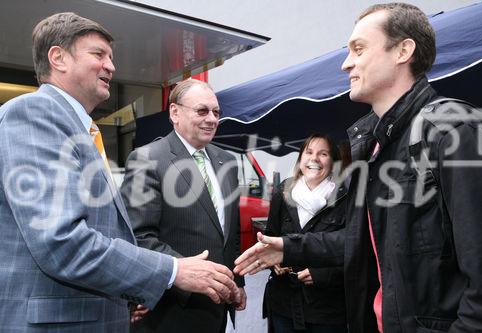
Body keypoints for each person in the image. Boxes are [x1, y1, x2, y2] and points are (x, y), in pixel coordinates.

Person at [235, 3, 482, 332]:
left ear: (403, 50)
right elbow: (367, 241)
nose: (346, 63)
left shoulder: (456, 130)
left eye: (358, 49)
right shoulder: (373, 146)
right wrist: (289, 248)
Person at [0, 13, 239, 332]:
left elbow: (103, 233)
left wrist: (129, 294)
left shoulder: (79, 129)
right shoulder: (34, 114)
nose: (111, 67)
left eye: (110, 57)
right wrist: (171, 271)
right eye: (98, 54)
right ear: (58, 58)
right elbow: (62, 242)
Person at [120, 79, 246, 333]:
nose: (212, 119)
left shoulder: (227, 161)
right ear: (175, 112)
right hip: (171, 310)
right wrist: (184, 274)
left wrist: (237, 281)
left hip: (219, 308)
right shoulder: (148, 159)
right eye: (202, 110)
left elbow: (230, 232)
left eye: (216, 112)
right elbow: (138, 237)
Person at [263, 134, 348, 333]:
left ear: (333, 161)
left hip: (327, 309)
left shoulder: (346, 196)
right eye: (308, 152)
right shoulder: (283, 192)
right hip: (284, 304)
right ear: (301, 158)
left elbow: (355, 249)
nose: (314, 159)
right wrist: (273, 262)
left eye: (323, 153)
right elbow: (270, 236)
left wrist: (323, 275)